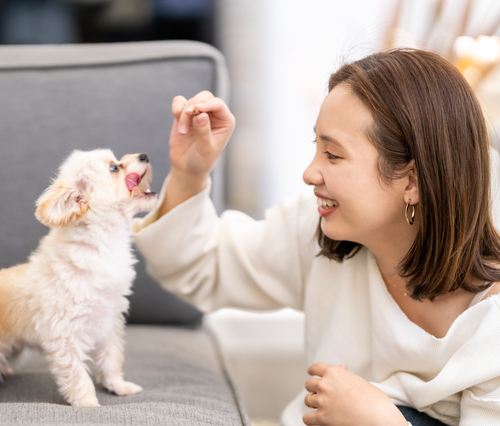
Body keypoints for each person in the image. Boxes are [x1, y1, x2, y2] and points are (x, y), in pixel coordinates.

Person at [132, 48, 500, 426]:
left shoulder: (491, 325)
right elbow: (198, 264)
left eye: (333, 155)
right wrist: (191, 173)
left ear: (412, 181)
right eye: (316, 148)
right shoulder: (320, 233)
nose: (310, 173)